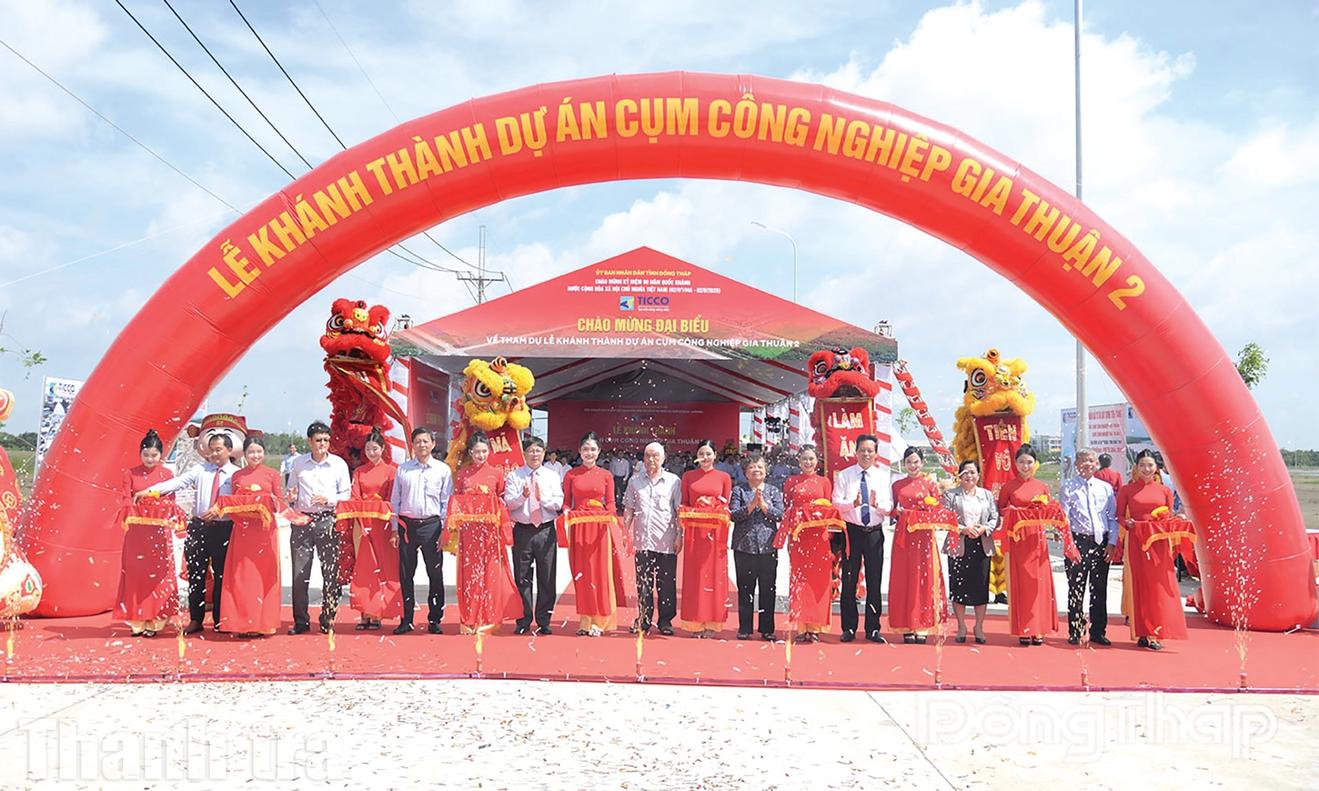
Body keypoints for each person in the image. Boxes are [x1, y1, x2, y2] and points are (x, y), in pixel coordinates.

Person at [140, 432, 237, 635]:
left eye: (218, 450)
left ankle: (220, 619)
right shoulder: (200, 470)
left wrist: (222, 509)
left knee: (222, 575)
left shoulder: (236, 474)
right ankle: (195, 619)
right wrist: (149, 491)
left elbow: (240, 501)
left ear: (229, 450)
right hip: (199, 526)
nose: (214, 454)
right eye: (211, 450)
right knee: (196, 574)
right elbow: (176, 483)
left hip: (224, 528)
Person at [997, 444, 1074, 646]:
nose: (1025, 466)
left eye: (1029, 462)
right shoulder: (1008, 487)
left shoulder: (1042, 487)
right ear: (1015, 463)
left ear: (1035, 464)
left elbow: (1049, 510)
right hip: (1018, 540)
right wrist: (1013, 512)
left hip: (1037, 540)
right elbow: (1001, 511)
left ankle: (1039, 628)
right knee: (1022, 584)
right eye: (1021, 462)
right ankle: (1024, 628)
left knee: (1039, 583)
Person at [1114, 449, 1187, 651]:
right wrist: (1127, 523)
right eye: (1142, 465)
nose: (1146, 469)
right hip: (1136, 542)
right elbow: (1119, 515)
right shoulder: (1127, 490)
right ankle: (1142, 632)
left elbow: (1168, 516)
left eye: (1150, 465)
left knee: (1158, 586)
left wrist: (1177, 519)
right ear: (1136, 467)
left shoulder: (1164, 491)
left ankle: (1156, 632)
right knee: (1140, 586)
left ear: (1156, 468)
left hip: (1159, 544)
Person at [451, 432, 521, 633]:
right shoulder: (463, 474)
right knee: (470, 574)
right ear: (470, 452)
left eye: (484, 451)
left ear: (489, 451)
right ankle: (470, 618)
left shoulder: (497, 474)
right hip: (469, 531)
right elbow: (456, 501)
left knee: (491, 573)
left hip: (490, 532)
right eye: (477, 452)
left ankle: (489, 619)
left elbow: (502, 501)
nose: (480, 455)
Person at [286, 421, 351, 635]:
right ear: (309, 441)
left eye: (326, 440)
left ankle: (328, 617)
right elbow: (291, 490)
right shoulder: (298, 463)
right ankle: (301, 620)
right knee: (299, 573)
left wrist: (328, 499)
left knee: (330, 572)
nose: (322, 444)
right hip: (303, 520)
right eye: (318, 440)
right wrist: (291, 497)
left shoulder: (338, 464)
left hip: (328, 520)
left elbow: (346, 494)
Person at [217, 436, 285, 637]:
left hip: (265, 531)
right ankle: (242, 622)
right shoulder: (237, 475)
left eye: (259, 452)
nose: (255, 455)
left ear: (264, 453)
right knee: (242, 576)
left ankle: (261, 623)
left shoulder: (272, 474)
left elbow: (279, 503)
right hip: (243, 530)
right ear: (244, 454)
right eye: (251, 452)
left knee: (263, 574)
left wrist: (269, 501)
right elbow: (233, 502)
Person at [115, 429, 178, 637]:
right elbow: (126, 499)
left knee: (157, 576)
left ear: (161, 455)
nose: (150, 459)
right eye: (146, 455)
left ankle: (156, 620)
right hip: (136, 533)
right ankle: (137, 621)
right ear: (140, 454)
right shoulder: (130, 473)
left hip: (158, 532)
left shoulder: (167, 475)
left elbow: (171, 501)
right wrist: (133, 509)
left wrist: (155, 505)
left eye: (154, 455)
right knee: (136, 574)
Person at [390, 427, 452, 635]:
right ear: (412, 445)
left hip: (432, 526)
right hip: (407, 525)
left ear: (433, 444)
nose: (422, 445)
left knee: (435, 573)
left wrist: (444, 529)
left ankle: (435, 619)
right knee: (406, 573)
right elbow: (395, 500)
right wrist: (394, 528)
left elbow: (446, 502)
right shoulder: (403, 470)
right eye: (418, 441)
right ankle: (406, 619)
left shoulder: (443, 470)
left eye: (426, 441)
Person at [832, 434, 892, 643]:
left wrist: (877, 505)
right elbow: (836, 503)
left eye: (870, 451)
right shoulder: (845, 476)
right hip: (852, 532)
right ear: (856, 452)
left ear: (876, 454)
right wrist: (853, 504)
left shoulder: (883, 477)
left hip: (874, 532)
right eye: (862, 450)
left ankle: (873, 628)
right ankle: (848, 627)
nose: (866, 454)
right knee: (849, 579)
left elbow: (889, 507)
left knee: (875, 580)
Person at [562, 431, 622, 636]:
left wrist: (610, 515)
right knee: (582, 573)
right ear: (579, 451)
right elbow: (566, 502)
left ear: (599, 451)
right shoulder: (571, 475)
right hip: (579, 528)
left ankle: (600, 621)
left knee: (599, 572)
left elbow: (611, 502)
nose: (589, 453)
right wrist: (566, 512)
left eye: (593, 449)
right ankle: (585, 621)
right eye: (585, 449)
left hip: (599, 530)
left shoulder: (606, 475)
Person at [504, 436, 565, 635]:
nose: (535, 454)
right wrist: (523, 496)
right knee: (522, 576)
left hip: (545, 530)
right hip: (522, 530)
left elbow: (558, 503)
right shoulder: (514, 476)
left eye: (538, 450)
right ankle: (523, 619)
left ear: (544, 453)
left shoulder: (552, 476)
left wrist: (542, 498)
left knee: (547, 576)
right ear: (524, 453)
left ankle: (544, 620)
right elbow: (509, 504)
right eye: (531, 450)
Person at [888, 446, 947, 644]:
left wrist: (927, 510)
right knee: (904, 577)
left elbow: (938, 509)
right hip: (904, 536)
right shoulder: (897, 485)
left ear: (922, 463)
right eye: (909, 462)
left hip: (924, 537)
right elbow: (892, 511)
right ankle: (905, 623)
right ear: (904, 464)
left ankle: (923, 624)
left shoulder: (930, 484)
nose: (913, 465)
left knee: (923, 577)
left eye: (916, 462)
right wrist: (898, 513)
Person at [622, 441, 682, 635]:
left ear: (663, 458)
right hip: (643, 541)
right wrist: (625, 532)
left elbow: (679, 511)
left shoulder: (674, 481)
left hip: (667, 540)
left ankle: (665, 621)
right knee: (644, 583)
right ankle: (644, 619)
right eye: (648, 455)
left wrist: (679, 535)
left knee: (667, 583)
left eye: (656, 455)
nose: (651, 459)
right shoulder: (635, 481)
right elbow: (629, 508)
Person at [1061, 448, 1119, 646]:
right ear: (1076, 464)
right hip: (1078, 541)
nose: (1087, 464)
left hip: (1100, 542)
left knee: (1099, 588)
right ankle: (1075, 630)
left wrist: (1112, 543)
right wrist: (1070, 545)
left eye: (1091, 461)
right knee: (1076, 587)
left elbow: (1112, 518)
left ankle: (1098, 631)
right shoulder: (1068, 487)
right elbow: (1064, 520)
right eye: (1083, 460)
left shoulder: (1105, 488)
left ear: (1096, 464)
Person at [778, 444, 835, 643]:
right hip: (799, 537)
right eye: (804, 459)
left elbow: (828, 506)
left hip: (819, 537)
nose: (808, 462)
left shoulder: (824, 482)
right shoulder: (791, 481)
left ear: (817, 461)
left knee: (818, 581)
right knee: (800, 580)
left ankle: (816, 626)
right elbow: (787, 508)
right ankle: (802, 626)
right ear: (799, 461)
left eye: (811, 459)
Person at [680, 438, 733, 638]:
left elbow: (726, 506)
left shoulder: (724, 477)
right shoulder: (688, 476)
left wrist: (714, 508)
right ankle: (694, 623)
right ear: (696, 456)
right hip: (694, 534)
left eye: (708, 454)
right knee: (695, 577)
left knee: (714, 576)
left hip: (715, 536)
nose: (705, 457)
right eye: (701, 454)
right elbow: (684, 503)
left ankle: (713, 622)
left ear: (715, 455)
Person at [729, 453, 784, 640]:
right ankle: (745, 628)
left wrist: (764, 506)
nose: (756, 470)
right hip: (744, 546)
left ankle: (767, 628)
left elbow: (780, 515)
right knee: (745, 588)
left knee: (768, 588)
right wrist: (751, 505)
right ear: (745, 472)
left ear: (766, 471)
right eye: (752, 467)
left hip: (768, 545)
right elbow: (733, 515)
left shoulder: (773, 491)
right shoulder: (739, 490)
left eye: (760, 467)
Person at [348, 429, 399, 631]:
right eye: (368, 449)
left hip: (382, 525)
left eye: (375, 449)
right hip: (362, 525)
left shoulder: (391, 471)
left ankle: (377, 612)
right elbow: (354, 497)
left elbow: (393, 500)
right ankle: (364, 612)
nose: (371, 452)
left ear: (383, 449)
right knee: (364, 568)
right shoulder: (359, 471)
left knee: (381, 567)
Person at [943, 460, 998, 644]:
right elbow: (945, 518)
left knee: (980, 587)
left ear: (978, 475)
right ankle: (961, 626)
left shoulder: (986, 495)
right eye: (965, 473)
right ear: (959, 475)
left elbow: (995, 517)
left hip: (981, 544)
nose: (969, 476)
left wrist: (984, 528)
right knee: (958, 587)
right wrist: (963, 529)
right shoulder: (951, 495)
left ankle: (979, 626)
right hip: (959, 544)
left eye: (973, 472)